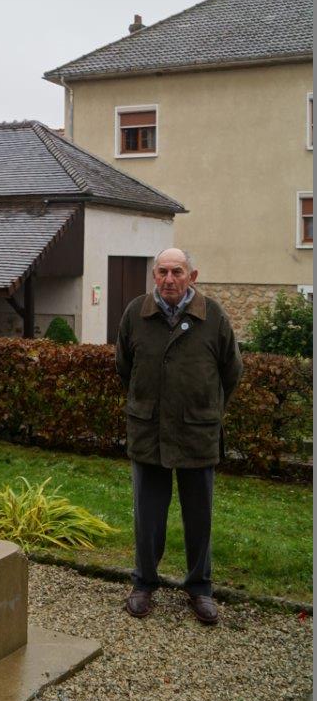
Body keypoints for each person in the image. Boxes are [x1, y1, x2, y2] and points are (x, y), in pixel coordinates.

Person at [115, 247, 242, 625]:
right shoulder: (135, 313)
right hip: (148, 432)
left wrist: (208, 411)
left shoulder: (213, 316)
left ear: (193, 276)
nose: (170, 280)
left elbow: (231, 371)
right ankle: (144, 583)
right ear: (154, 276)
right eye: (163, 272)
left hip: (197, 435)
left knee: (199, 516)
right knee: (147, 516)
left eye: (178, 272)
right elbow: (124, 367)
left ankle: (200, 588)